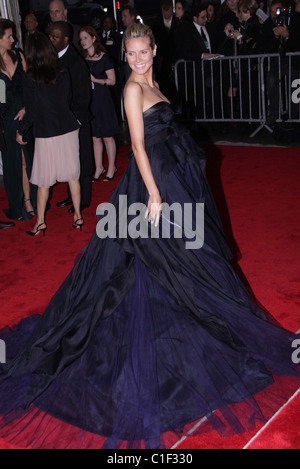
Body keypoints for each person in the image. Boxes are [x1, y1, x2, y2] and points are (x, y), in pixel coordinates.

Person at [0, 23, 299, 450]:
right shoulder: (132, 90)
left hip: (175, 183)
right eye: (133, 54)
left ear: (154, 50)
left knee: (179, 262)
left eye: (144, 52)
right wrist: (155, 196)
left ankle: (186, 325)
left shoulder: (153, 81)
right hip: (153, 189)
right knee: (150, 260)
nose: (139, 59)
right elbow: (137, 147)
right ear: (126, 54)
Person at [16, 32, 83, 235]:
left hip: (46, 131)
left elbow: (32, 109)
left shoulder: (29, 78)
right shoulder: (63, 71)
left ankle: (41, 222)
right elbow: (67, 100)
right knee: (73, 176)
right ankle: (78, 217)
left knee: (43, 180)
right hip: (67, 127)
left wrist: (21, 130)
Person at [48, 21, 94, 213]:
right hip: (65, 118)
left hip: (78, 118)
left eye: (55, 36)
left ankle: (84, 199)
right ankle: (72, 195)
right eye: (49, 35)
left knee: (81, 158)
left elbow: (83, 95)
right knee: (70, 159)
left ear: (66, 39)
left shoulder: (74, 61)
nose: (50, 40)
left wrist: (74, 118)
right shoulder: (55, 58)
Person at [0, 18, 36, 222]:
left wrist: (26, 109)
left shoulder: (19, 54)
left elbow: (30, 85)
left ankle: (30, 200)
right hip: (6, 120)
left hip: (24, 114)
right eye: (8, 36)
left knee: (27, 160)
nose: (13, 39)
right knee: (14, 163)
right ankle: (17, 204)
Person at [79, 26, 119, 182]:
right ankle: (99, 167)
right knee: (95, 137)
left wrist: (96, 80)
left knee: (107, 136)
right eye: (81, 39)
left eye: (86, 38)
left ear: (94, 38)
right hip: (90, 100)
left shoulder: (105, 58)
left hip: (103, 100)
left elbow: (113, 80)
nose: (83, 41)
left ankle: (111, 167)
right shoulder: (82, 59)